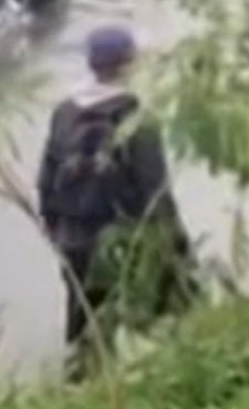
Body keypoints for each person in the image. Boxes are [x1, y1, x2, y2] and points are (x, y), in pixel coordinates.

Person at [37, 25, 192, 355]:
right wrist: (177, 244)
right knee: (166, 314)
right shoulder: (137, 118)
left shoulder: (63, 113)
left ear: (91, 64)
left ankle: (79, 389)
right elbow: (155, 192)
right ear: (130, 64)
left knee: (85, 327)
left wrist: (56, 232)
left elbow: (46, 182)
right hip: (124, 241)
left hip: (74, 239)